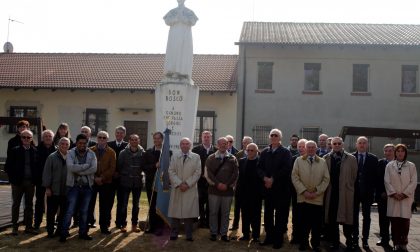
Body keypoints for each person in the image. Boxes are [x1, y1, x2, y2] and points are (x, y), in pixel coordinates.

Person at [257, 128, 292, 249]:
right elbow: (259, 168)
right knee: (268, 215)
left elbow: (287, 168)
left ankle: (278, 239)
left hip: (281, 189)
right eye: (272, 135)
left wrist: (273, 179)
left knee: (280, 215)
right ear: (269, 137)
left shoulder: (286, 152)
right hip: (267, 189)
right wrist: (265, 178)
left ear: (280, 138)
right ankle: (269, 237)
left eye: (276, 135)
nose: (273, 137)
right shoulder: (265, 152)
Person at [291, 140, 330, 252]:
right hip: (303, 198)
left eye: (313, 147)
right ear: (306, 148)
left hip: (317, 199)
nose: (311, 149)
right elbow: (294, 177)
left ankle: (316, 244)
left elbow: (326, 179)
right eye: (309, 147)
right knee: (303, 223)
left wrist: (316, 192)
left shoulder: (322, 162)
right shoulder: (299, 160)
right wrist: (304, 192)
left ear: (316, 148)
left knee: (316, 224)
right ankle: (303, 243)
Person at [60, 134, 97, 242]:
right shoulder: (70, 153)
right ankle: (64, 233)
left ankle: (83, 233)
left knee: (84, 211)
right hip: (73, 187)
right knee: (70, 211)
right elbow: (71, 167)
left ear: (87, 143)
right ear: (76, 143)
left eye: (84, 143)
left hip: (87, 187)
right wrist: (86, 166)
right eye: (80, 143)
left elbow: (94, 169)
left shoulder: (92, 154)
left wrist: (79, 170)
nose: (82, 145)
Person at [323, 137, 358, 250]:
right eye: (334, 143)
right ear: (331, 145)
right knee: (332, 219)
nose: (337, 145)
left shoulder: (351, 158)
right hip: (331, 193)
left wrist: (347, 185)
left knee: (347, 219)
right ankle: (335, 242)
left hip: (345, 193)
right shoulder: (326, 158)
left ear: (342, 144)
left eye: (339, 143)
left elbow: (354, 176)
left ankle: (349, 241)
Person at [5, 129, 39, 235]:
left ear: (31, 139)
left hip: (30, 183)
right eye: (24, 137)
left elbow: (37, 168)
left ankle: (28, 227)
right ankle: (15, 227)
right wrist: (13, 180)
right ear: (21, 138)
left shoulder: (35, 151)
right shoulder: (14, 150)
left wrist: (35, 180)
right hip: (17, 183)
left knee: (29, 205)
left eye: (28, 137)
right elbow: (7, 167)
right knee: (16, 204)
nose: (26, 139)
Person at [384, 144, 417, 252]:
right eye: (398, 151)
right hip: (394, 198)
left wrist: (404, 194)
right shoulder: (389, 165)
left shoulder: (411, 166)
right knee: (395, 222)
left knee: (405, 222)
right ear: (395, 153)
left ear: (405, 153)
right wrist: (394, 193)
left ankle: (404, 243)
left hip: (406, 198)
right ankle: (396, 243)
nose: (400, 153)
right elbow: (387, 181)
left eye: (402, 151)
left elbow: (413, 182)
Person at [205, 137, 239, 242]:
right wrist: (217, 184)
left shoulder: (233, 158)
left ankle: (224, 234)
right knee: (213, 213)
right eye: (221, 143)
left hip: (227, 191)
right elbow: (208, 173)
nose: (223, 145)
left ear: (228, 145)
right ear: (217, 145)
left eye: (225, 143)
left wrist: (227, 185)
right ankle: (213, 233)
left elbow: (236, 173)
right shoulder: (211, 158)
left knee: (225, 213)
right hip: (214, 191)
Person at [168, 138, 201, 241]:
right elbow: (171, 171)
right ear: (180, 145)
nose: (185, 145)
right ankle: (174, 233)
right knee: (175, 212)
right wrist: (179, 183)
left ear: (190, 145)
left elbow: (198, 172)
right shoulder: (174, 156)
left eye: (187, 144)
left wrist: (187, 184)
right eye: (183, 144)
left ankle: (189, 234)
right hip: (177, 188)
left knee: (189, 213)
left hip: (189, 188)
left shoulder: (196, 157)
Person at [352, 136, 378, 249]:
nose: (362, 145)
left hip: (367, 193)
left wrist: (373, 193)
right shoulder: (350, 157)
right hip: (354, 192)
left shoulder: (373, 158)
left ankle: (365, 240)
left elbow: (375, 177)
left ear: (367, 145)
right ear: (356, 144)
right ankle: (355, 239)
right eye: (360, 143)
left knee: (366, 217)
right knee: (354, 217)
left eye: (364, 143)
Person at [88, 131, 116, 234]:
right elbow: (88, 165)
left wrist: (102, 178)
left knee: (104, 206)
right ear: (97, 138)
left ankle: (104, 226)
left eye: (104, 138)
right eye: (100, 137)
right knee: (90, 204)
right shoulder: (90, 150)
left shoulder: (112, 152)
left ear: (107, 139)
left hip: (106, 182)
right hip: (92, 181)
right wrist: (95, 177)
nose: (102, 139)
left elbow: (112, 168)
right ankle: (87, 224)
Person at [116, 134, 145, 233]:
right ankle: (123, 224)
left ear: (139, 141)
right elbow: (119, 166)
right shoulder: (123, 153)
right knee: (124, 204)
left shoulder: (143, 153)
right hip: (125, 182)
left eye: (136, 140)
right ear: (129, 141)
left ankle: (134, 225)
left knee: (136, 205)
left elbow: (144, 167)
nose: (134, 141)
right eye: (132, 140)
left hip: (137, 183)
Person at [163, 0, 198, 80]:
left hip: (185, 37)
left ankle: (183, 73)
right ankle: (171, 72)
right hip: (174, 36)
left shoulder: (189, 12)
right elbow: (167, 21)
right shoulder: (172, 11)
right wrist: (176, 18)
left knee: (184, 53)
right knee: (173, 52)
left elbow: (193, 21)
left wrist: (183, 18)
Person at [42, 137, 70, 238]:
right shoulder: (52, 157)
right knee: (51, 212)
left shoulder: (71, 156)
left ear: (69, 145)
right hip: (53, 190)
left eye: (66, 144)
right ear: (58, 145)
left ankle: (59, 230)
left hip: (66, 190)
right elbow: (47, 173)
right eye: (62, 143)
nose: (64, 145)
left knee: (63, 212)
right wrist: (47, 188)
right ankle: (50, 231)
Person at [143, 131, 168, 235]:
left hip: (162, 185)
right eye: (155, 138)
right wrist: (154, 165)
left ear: (162, 140)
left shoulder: (167, 152)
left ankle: (160, 228)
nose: (157, 140)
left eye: (159, 138)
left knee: (161, 206)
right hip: (151, 184)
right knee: (152, 206)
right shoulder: (147, 152)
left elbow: (169, 169)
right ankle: (152, 227)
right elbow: (144, 167)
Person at [237, 143, 263, 242]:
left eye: (252, 150)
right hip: (244, 193)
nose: (250, 152)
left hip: (256, 194)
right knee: (245, 215)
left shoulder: (260, 162)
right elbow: (239, 178)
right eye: (248, 150)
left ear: (256, 151)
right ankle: (246, 234)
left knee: (256, 215)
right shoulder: (242, 161)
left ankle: (256, 235)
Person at [192, 130, 217, 228]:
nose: (206, 138)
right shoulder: (195, 150)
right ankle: (201, 221)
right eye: (204, 137)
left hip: (212, 181)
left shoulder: (216, 150)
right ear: (201, 138)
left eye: (208, 137)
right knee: (200, 202)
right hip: (199, 181)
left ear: (211, 138)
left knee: (210, 203)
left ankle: (208, 222)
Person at [34, 129, 57, 230]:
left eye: (49, 136)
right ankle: (37, 223)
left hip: (53, 182)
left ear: (52, 138)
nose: (48, 138)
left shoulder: (57, 150)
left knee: (51, 204)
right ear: (42, 138)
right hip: (40, 180)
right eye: (46, 136)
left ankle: (50, 224)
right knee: (39, 203)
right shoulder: (36, 149)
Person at [107, 126, 128, 228]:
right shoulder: (109, 144)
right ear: (115, 134)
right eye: (117, 133)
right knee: (109, 201)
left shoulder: (127, 146)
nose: (119, 135)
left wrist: (119, 172)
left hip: (122, 179)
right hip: (110, 178)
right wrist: (113, 172)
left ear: (124, 134)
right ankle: (107, 222)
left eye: (121, 133)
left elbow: (127, 163)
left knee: (122, 202)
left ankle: (120, 222)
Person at [231, 135, 253, 230]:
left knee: (250, 207)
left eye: (248, 142)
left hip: (251, 185)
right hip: (239, 184)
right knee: (237, 206)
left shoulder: (257, 153)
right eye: (244, 142)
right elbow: (234, 169)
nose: (246, 144)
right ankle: (235, 225)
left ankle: (250, 226)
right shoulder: (238, 154)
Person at [375, 144, 395, 248]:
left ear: (394, 152)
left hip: (396, 197)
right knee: (383, 219)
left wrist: (393, 193)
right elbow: (378, 179)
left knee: (395, 219)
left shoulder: (399, 163)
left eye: (390, 151)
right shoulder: (380, 163)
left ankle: (397, 240)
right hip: (382, 196)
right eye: (386, 151)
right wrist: (382, 192)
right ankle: (384, 238)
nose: (388, 153)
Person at [290, 138, 307, 244]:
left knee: (306, 215)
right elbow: (291, 176)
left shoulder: (313, 159)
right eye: (299, 146)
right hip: (296, 192)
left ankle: (304, 237)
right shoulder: (293, 159)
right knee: (296, 215)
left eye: (303, 146)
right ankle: (295, 235)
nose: (300, 148)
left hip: (309, 192)